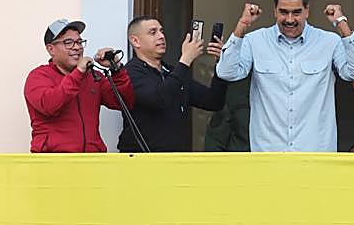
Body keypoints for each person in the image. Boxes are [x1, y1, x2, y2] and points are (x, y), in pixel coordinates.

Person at [216, 0, 354, 152]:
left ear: (307, 11)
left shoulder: (329, 41)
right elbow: (226, 72)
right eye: (283, 12)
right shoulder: (254, 40)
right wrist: (242, 26)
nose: (290, 19)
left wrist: (341, 24)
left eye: (296, 12)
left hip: (316, 155)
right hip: (268, 154)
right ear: (275, 11)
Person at [117, 16, 228, 152]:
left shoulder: (171, 72)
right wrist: (185, 59)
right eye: (153, 32)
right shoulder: (129, 73)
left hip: (176, 160)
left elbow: (213, 101)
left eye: (161, 31)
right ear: (135, 41)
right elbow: (160, 99)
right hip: (142, 161)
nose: (161, 36)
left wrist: (221, 63)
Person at [24, 18, 135, 153]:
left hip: (91, 160)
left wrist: (116, 68)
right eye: (68, 42)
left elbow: (124, 102)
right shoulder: (38, 76)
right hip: (54, 161)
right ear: (51, 49)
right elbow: (50, 105)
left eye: (79, 42)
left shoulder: (93, 76)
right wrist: (78, 73)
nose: (77, 47)